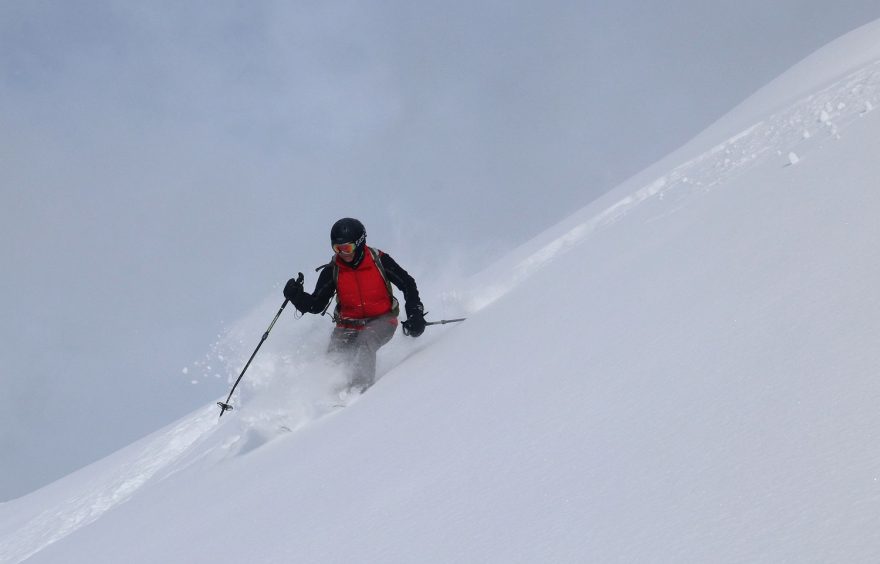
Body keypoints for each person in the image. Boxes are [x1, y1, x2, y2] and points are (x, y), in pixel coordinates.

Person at [283, 218, 426, 393]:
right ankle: (328, 399)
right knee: (334, 359)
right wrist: (296, 296)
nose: (343, 253)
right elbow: (316, 305)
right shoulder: (333, 269)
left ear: (359, 243)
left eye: (347, 248)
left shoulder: (378, 260)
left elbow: (407, 284)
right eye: (337, 248)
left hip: (382, 320)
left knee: (364, 343)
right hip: (347, 324)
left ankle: (358, 394)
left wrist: (415, 313)